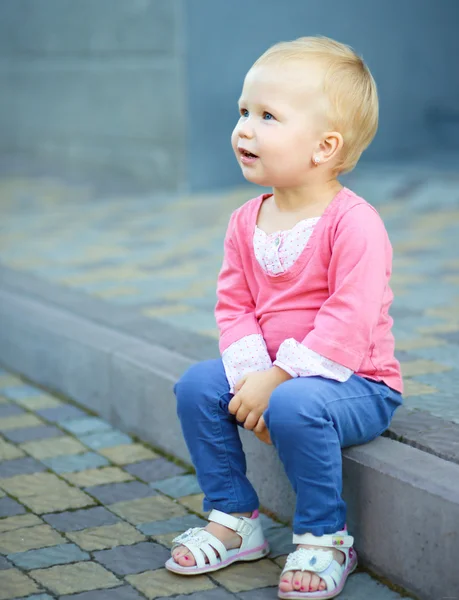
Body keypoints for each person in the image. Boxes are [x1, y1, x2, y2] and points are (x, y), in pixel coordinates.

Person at [165, 36, 403, 599]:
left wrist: (280, 379)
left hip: (356, 383)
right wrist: (253, 375)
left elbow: (349, 319)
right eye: (243, 111)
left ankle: (325, 535)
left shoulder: (354, 223)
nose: (244, 128)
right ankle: (235, 517)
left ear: (324, 147)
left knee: (296, 402)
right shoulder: (246, 220)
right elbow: (235, 305)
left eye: (267, 116)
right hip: (272, 373)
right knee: (198, 384)